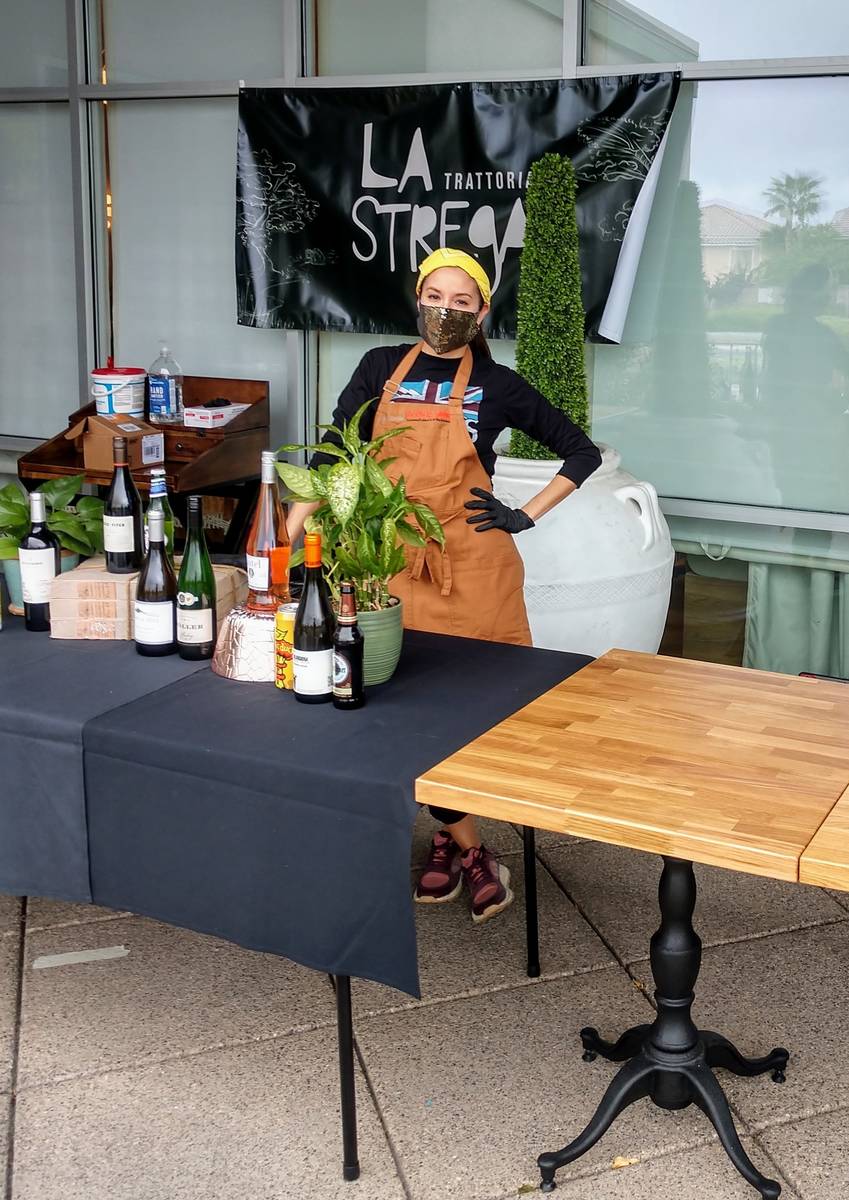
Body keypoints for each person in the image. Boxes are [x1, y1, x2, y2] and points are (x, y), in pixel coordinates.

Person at [287, 247, 601, 922]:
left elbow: (581, 450)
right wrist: (292, 528)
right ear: (417, 299)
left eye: (462, 302)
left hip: (473, 565)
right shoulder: (380, 367)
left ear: (482, 311)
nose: (446, 311)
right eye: (436, 296)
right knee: (399, 706)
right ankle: (465, 845)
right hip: (386, 564)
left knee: (474, 710)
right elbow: (334, 449)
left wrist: (523, 515)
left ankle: (453, 838)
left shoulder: (498, 383)